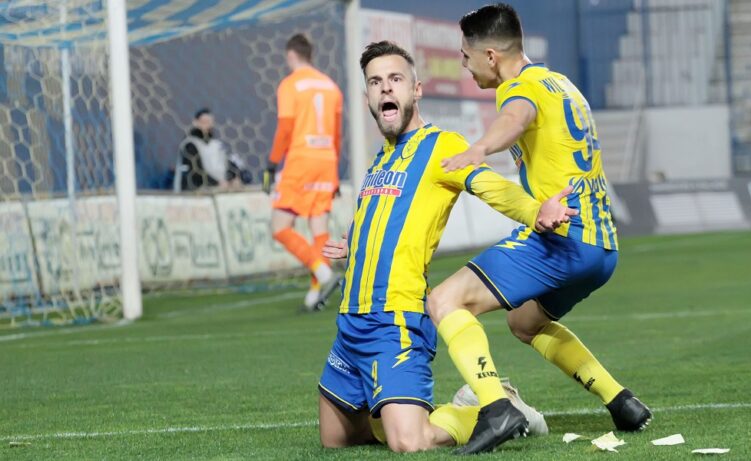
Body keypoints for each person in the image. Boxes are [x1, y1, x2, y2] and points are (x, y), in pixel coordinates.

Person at [317, 40, 573, 453]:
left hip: (395, 320)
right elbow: (384, 213)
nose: (385, 88)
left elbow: (491, 186)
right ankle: (404, 410)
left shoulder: (441, 145)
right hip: (351, 321)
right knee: (337, 439)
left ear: (416, 90)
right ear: (367, 97)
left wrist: (535, 211)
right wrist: (357, 242)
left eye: (395, 79)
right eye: (375, 82)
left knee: (409, 442)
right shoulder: (383, 158)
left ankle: (497, 409)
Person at [425, 3, 652, 454]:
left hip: (563, 237)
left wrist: (479, 149)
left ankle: (496, 408)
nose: (464, 65)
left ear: (491, 56)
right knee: (525, 322)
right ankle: (621, 401)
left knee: (444, 299)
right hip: (602, 247)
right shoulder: (560, 83)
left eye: (466, 56)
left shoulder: (519, 88)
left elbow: (516, 118)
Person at [262, 33, 344, 311]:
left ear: (291, 55)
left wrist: (272, 163)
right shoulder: (331, 86)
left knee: (279, 227)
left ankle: (322, 272)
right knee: (319, 227)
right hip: (327, 161)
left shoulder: (290, 84)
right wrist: (334, 170)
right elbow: (337, 134)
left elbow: (285, 128)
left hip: (301, 160)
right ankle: (315, 293)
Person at [174, 108, 250, 192]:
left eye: (210, 122)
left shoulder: (216, 144)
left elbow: (228, 164)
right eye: (204, 121)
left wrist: (233, 178)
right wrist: (216, 183)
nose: (208, 125)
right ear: (195, 122)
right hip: (194, 192)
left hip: (218, 190)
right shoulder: (190, 144)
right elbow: (195, 172)